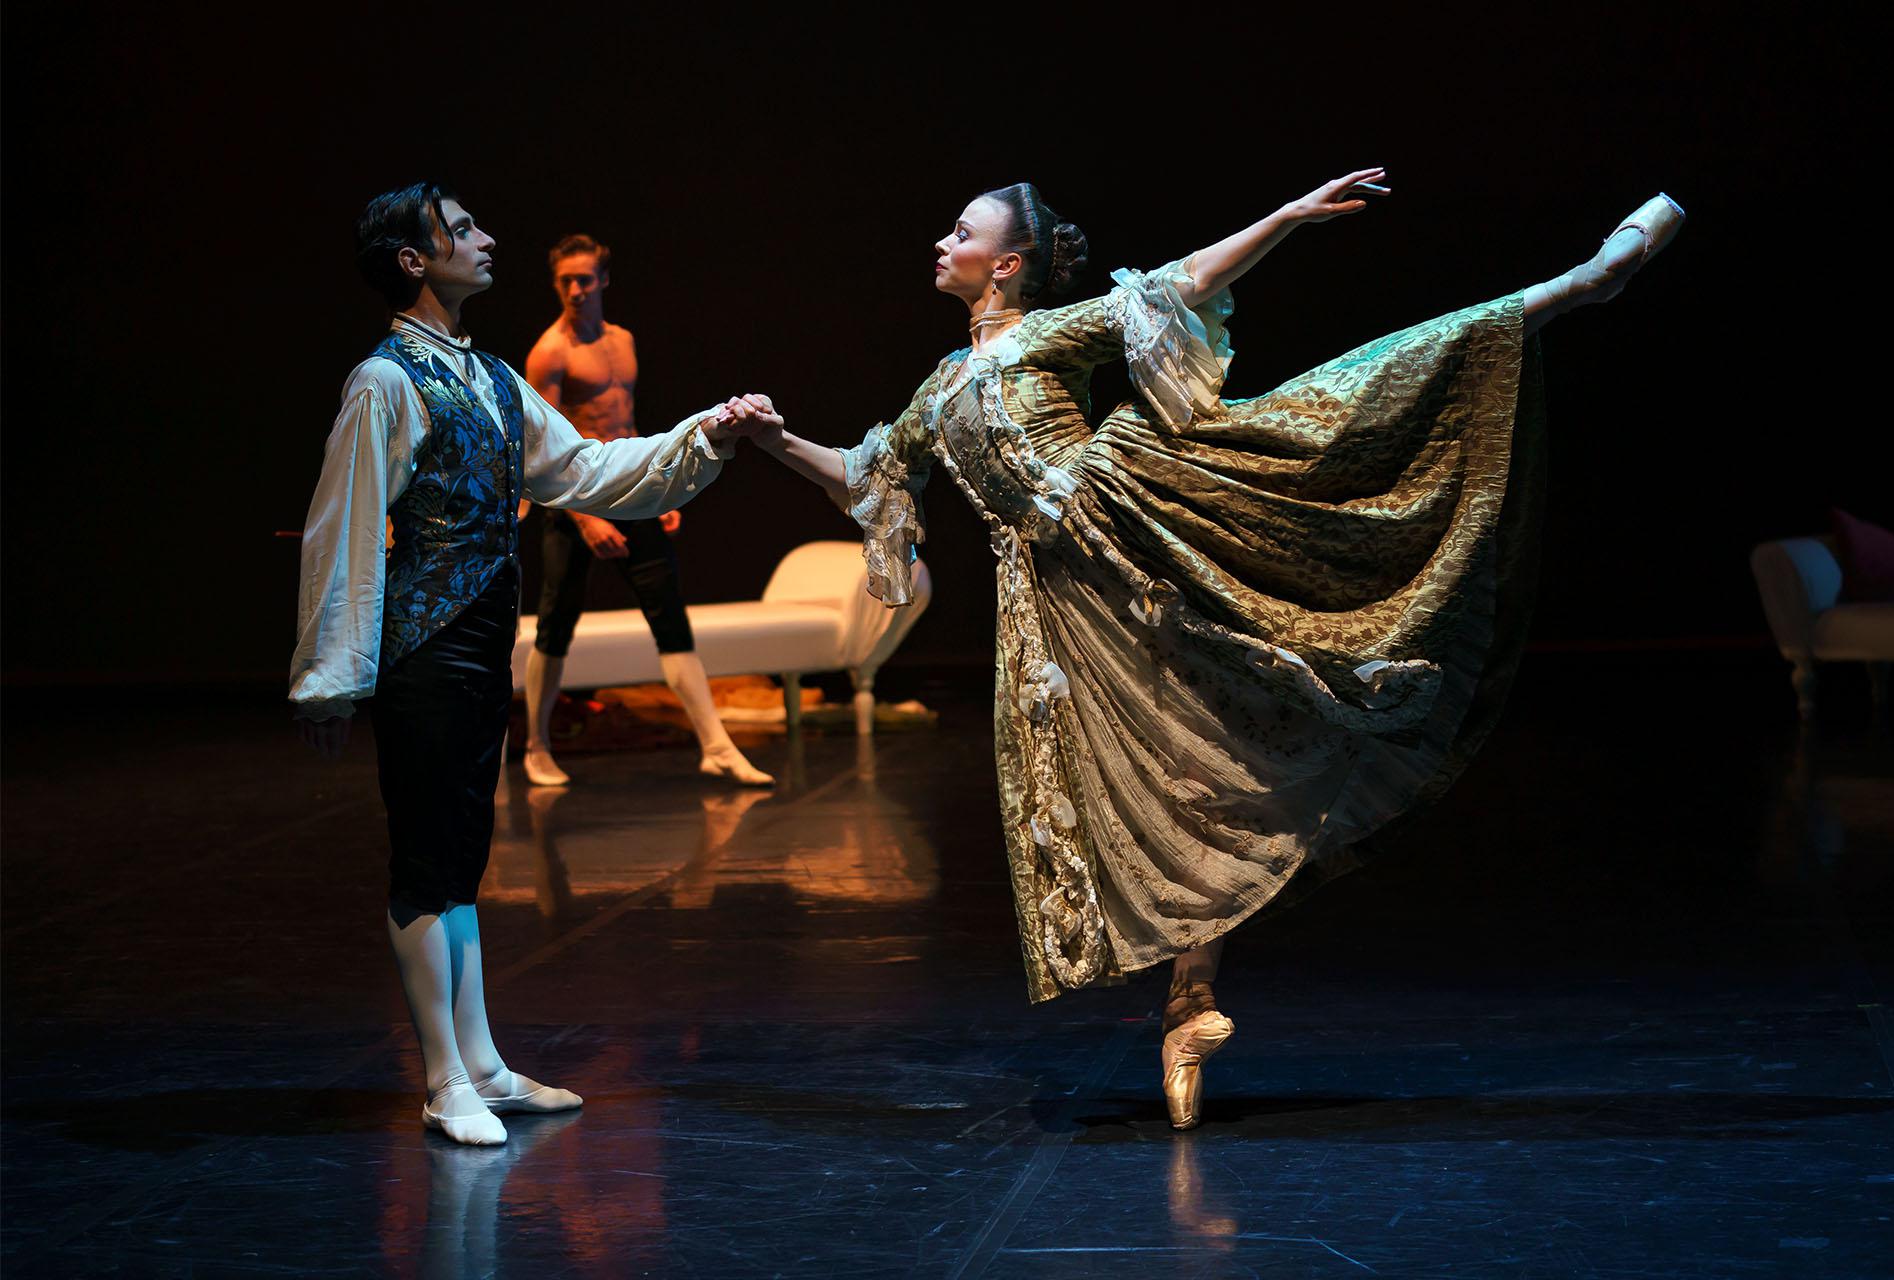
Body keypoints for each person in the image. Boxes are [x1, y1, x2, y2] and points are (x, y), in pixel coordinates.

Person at [736, 171, 1683, 1128]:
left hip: (1140, 526)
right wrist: (770, 439)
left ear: (1006, 265)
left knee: (1333, 414)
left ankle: (1574, 285)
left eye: (960, 230)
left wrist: (1286, 216)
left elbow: (1180, 284)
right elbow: (866, 475)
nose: (941, 242)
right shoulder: (940, 387)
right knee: (1162, 772)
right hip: (1056, 605)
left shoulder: (1046, 336)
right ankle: (1188, 1008)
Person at [290, 182, 766, 1145]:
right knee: (428, 863)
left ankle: (483, 1062)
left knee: (463, 861)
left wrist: (700, 436)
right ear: (415, 260)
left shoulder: (492, 376)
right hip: (423, 650)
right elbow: (342, 530)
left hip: (477, 648)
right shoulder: (386, 382)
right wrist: (333, 677)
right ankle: (441, 1079)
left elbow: (588, 471)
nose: (485, 237)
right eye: (461, 230)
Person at [519, 234, 772, 788]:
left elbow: (628, 429)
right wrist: (587, 518)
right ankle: (537, 746)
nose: (576, 290)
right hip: (574, 502)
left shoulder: (623, 342)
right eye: (565, 281)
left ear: (604, 280)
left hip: (632, 495)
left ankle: (716, 746)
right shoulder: (550, 353)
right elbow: (539, 449)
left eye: (585, 278)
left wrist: (662, 492)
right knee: (556, 622)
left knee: (670, 617)